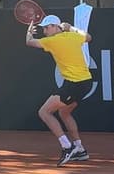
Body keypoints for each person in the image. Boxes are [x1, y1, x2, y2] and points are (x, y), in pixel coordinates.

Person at [25, 14, 92, 166]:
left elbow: (29, 42)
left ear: (55, 27)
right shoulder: (73, 36)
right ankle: (79, 149)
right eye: (44, 28)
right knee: (64, 112)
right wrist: (72, 28)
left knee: (44, 112)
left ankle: (67, 147)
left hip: (74, 84)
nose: (45, 31)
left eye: (47, 28)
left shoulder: (52, 41)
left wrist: (29, 31)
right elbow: (88, 37)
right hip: (86, 82)